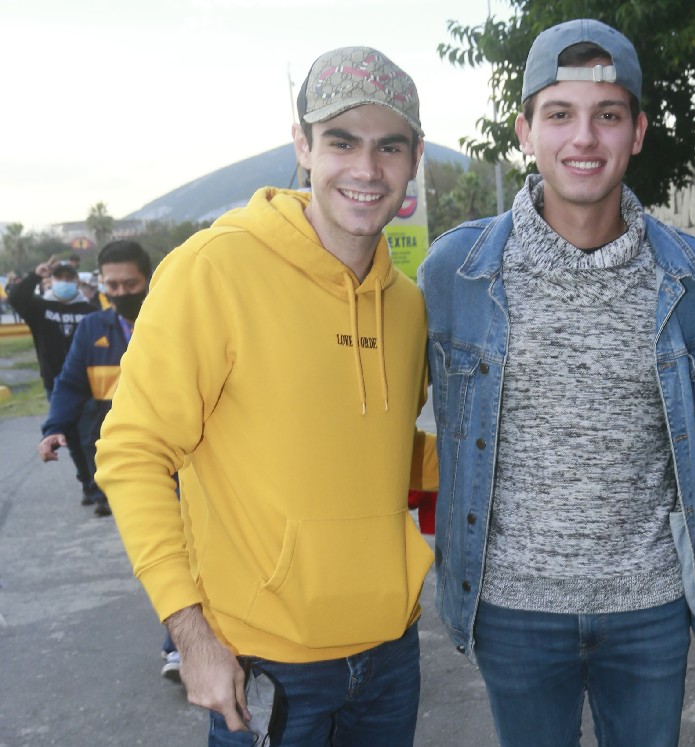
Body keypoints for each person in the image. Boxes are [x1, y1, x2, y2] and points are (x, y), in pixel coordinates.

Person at [94, 46, 436, 746]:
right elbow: (131, 454)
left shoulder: (406, 305)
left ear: (414, 158)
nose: (367, 170)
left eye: (388, 146)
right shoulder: (214, 269)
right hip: (271, 666)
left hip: (392, 654)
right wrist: (189, 632)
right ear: (303, 146)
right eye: (342, 141)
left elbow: (378, 452)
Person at [420, 18, 695, 747]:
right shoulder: (455, 273)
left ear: (638, 131)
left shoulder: (693, 276)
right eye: (559, 114)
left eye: (607, 115)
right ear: (525, 130)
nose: (583, 138)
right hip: (513, 611)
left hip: (650, 611)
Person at [37, 241, 152, 518]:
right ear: (101, 283)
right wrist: (55, 427)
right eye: (112, 286)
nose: (121, 293)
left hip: (173, 447)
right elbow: (70, 383)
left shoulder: (176, 323)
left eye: (130, 284)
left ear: (148, 279)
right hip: (115, 446)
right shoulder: (92, 328)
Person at [8, 257, 98, 502]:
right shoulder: (40, 309)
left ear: (78, 281)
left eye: (70, 278)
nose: (65, 282)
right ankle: (87, 482)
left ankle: (99, 485)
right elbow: (16, 298)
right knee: (69, 436)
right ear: (52, 280)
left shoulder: (89, 311)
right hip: (55, 384)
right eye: (60, 278)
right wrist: (36, 275)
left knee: (90, 435)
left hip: (89, 384)